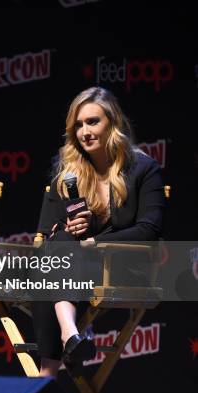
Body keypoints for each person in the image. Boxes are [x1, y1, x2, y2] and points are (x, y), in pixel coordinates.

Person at [33, 86, 166, 377]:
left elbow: (149, 230)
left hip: (122, 266)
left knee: (52, 266)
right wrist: (71, 228)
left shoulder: (143, 168)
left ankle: (47, 374)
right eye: (78, 125)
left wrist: (92, 240)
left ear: (113, 124)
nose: (84, 132)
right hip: (71, 267)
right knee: (57, 251)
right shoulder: (68, 171)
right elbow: (48, 232)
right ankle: (71, 336)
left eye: (93, 122)